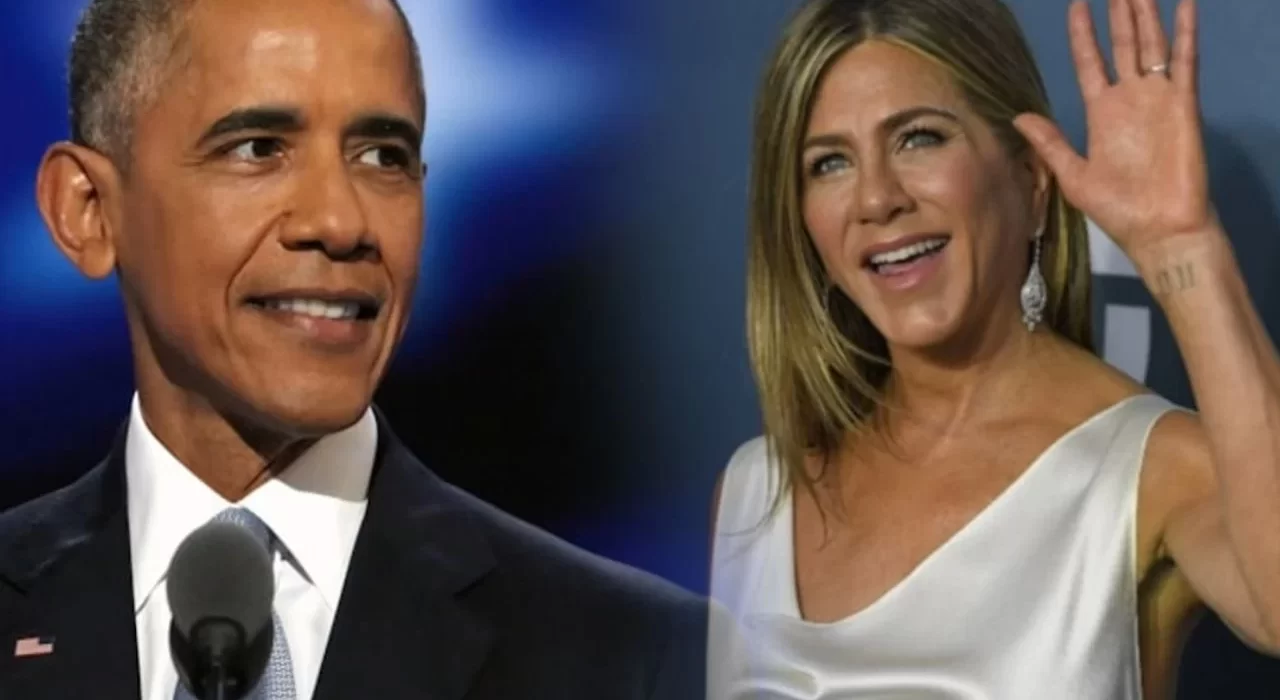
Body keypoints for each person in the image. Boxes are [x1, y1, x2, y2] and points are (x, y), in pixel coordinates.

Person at [0, 0, 707, 698]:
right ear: (88, 211)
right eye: (258, 149)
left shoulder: (640, 660)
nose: (340, 222)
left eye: (382, 157)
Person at [710, 0, 1280, 696]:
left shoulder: (1155, 467)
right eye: (830, 163)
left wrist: (1181, 246)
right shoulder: (754, 498)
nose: (877, 199)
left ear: (1031, 183)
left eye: (918, 138)